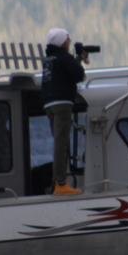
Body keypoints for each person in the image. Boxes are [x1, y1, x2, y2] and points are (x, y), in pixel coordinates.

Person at [41, 28, 87, 194]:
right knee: (61, 142)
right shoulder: (64, 57)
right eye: (67, 40)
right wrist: (79, 60)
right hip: (62, 104)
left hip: (49, 104)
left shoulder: (49, 59)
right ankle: (61, 184)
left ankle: (57, 183)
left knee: (60, 142)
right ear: (62, 42)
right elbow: (78, 75)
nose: (69, 42)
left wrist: (77, 59)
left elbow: (66, 72)